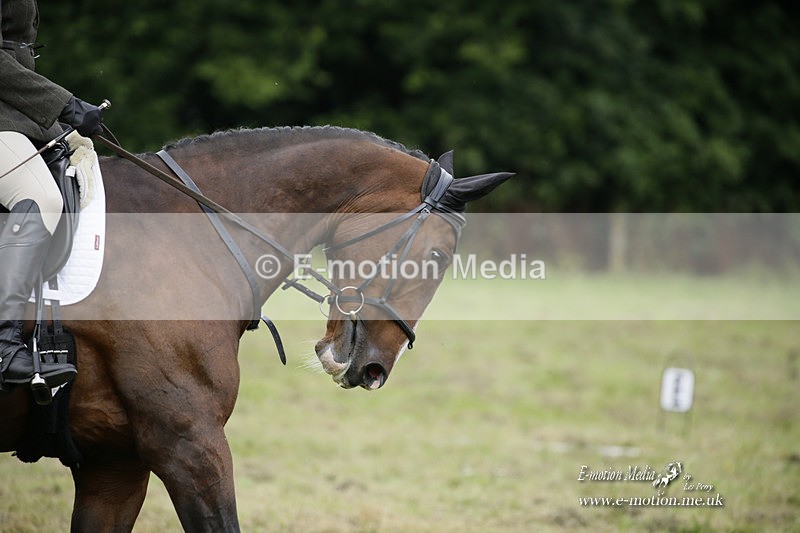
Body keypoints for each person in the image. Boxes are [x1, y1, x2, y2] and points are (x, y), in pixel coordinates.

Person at [1, 0, 105, 390]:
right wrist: (64, 103)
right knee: (39, 195)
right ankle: (4, 344)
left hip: (11, 113)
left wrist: (58, 119)